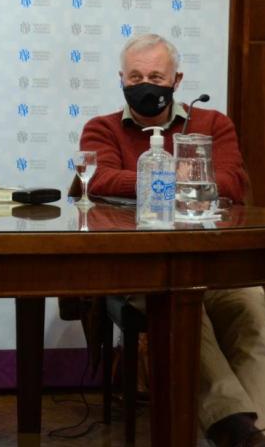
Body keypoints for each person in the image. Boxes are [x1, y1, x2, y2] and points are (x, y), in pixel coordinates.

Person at [81, 33, 265, 447]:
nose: (145, 84)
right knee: (184, 305)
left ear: (176, 80)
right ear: (121, 79)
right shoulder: (102, 129)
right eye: (135, 75)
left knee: (252, 304)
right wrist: (167, 176)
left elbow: (232, 182)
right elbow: (100, 180)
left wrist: (152, 182)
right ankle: (236, 430)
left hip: (214, 265)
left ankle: (255, 433)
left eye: (156, 76)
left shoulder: (212, 124)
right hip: (140, 271)